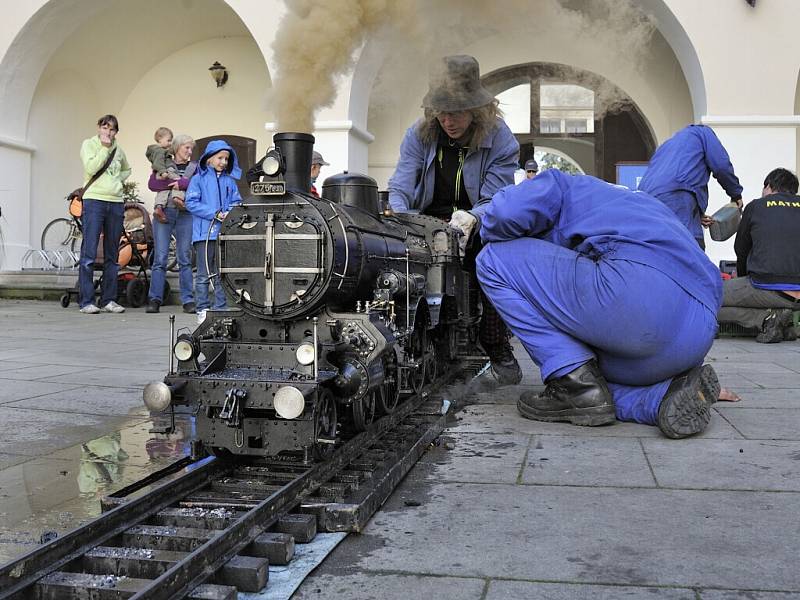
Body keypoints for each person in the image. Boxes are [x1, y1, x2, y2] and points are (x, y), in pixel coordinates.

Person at [476, 169, 723, 439]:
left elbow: (503, 213)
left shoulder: (559, 184)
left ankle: (574, 384)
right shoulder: (635, 201)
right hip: (698, 335)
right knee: (591, 364)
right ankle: (658, 398)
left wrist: (477, 225)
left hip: (638, 304)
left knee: (492, 260)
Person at [387, 54, 522, 385]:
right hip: (424, 221)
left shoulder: (501, 139)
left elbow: (496, 199)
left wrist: (471, 219)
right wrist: (401, 219)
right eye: (442, 112)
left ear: (476, 110)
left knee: (492, 262)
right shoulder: (417, 135)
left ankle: (497, 346)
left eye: (457, 112)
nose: (449, 120)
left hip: (479, 220)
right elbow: (401, 184)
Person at [717, 168, 800, 343]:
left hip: (767, 286)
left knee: (709, 297)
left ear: (768, 186)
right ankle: (782, 322)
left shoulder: (756, 206)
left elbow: (741, 248)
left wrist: (743, 276)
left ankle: (764, 320)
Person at [639, 124, 743, 249]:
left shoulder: (667, 145)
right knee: (691, 249)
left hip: (647, 199)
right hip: (678, 193)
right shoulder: (703, 132)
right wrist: (735, 194)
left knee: (660, 248)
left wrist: (697, 214)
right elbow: (721, 166)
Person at [77, 114, 131, 314]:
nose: (108, 132)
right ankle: (87, 301)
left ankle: (109, 300)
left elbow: (127, 169)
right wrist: (104, 148)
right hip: (94, 200)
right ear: (99, 127)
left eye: (112, 129)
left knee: (112, 255)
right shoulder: (89, 144)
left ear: (116, 131)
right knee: (89, 253)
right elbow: (91, 167)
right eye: (105, 127)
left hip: (115, 202)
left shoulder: (119, 149)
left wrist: (117, 181)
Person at [185, 140, 242, 324]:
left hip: (223, 234)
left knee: (221, 272)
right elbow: (191, 203)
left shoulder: (229, 181)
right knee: (203, 273)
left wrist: (231, 213)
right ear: (209, 159)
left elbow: (237, 202)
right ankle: (202, 308)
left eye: (226, 158)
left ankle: (221, 307)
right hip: (204, 235)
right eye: (220, 158)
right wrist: (215, 214)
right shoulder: (198, 179)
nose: (224, 162)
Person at [146, 134, 198, 314]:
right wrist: (175, 183)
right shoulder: (164, 161)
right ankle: (154, 299)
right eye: (186, 148)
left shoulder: (194, 167)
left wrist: (182, 182)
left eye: (191, 148)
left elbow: (199, 186)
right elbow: (152, 184)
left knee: (185, 258)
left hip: (186, 214)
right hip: (164, 213)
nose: (190, 152)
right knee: (160, 259)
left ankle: (188, 301)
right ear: (176, 148)